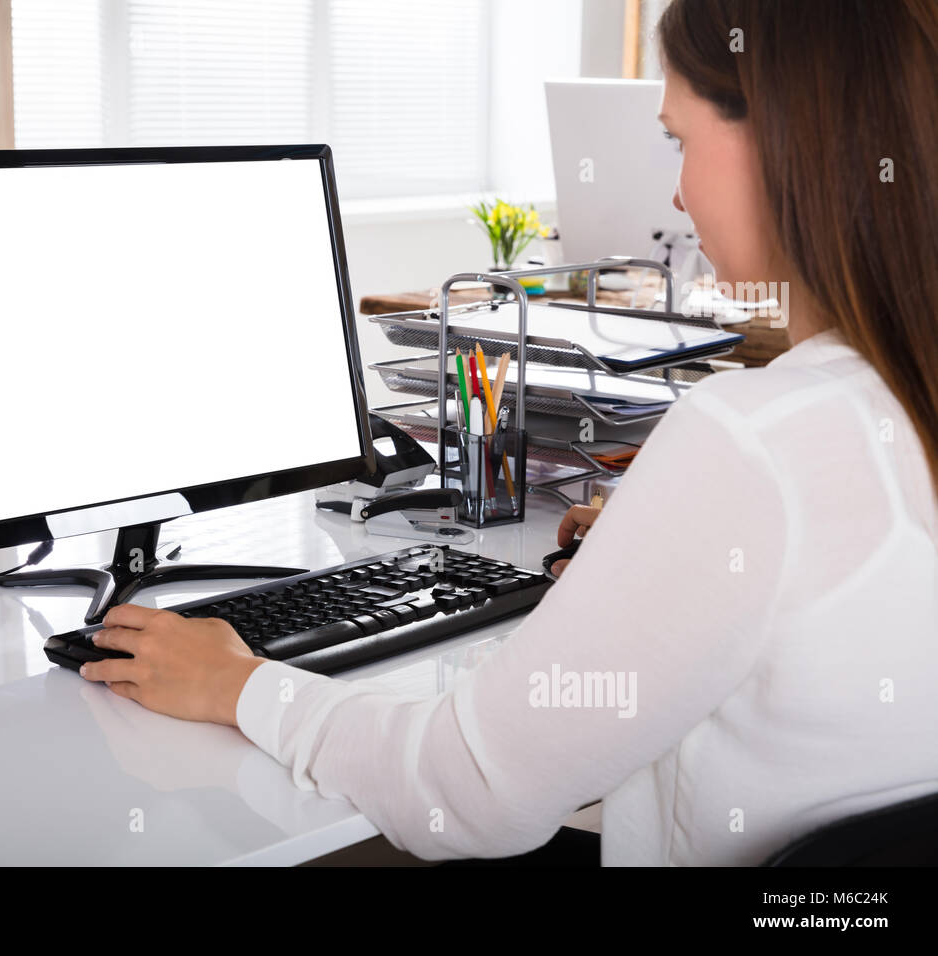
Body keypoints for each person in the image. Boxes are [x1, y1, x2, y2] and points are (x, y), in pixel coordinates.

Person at [78, 0, 938, 865]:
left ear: (786, 141)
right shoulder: (887, 404)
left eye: (680, 140)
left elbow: (468, 794)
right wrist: (663, 555)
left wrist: (241, 685)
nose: (675, 192)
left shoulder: (752, 441)